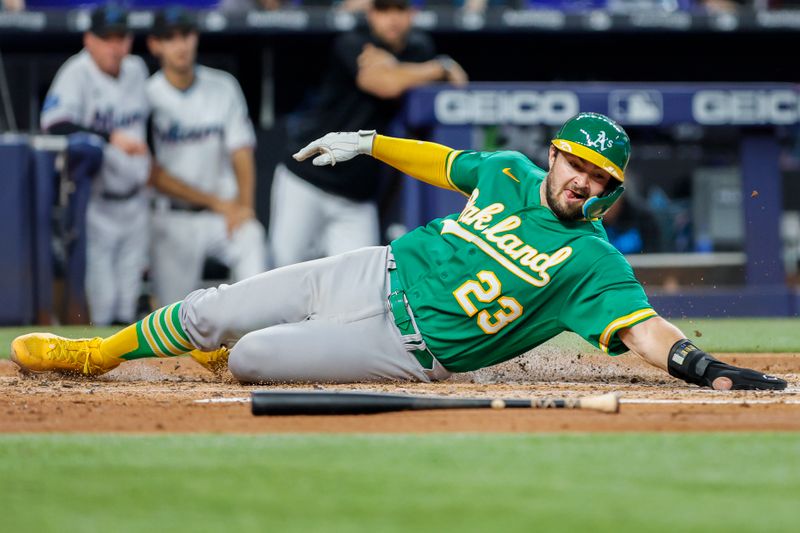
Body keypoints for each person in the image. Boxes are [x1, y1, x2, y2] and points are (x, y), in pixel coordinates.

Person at [9, 113, 787, 391]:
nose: (581, 181)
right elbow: (444, 162)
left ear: (608, 191)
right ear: (553, 155)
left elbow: (646, 331)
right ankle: (98, 354)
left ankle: (237, 352)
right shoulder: (510, 172)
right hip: (376, 266)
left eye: (598, 176)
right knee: (215, 307)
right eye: (575, 162)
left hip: (405, 347)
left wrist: (706, 366)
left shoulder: (594, 262)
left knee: (248, 358)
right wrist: (371, 143)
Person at [269, 0, 468, 268]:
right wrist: (438, 67)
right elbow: (384, 84)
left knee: (363, 282)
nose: (392, 19)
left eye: (399, 10)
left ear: (412, 13)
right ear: (371, 13)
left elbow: (460, 82)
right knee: (280, 271)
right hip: (307, 178)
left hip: (357, 195)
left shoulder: (419, 48)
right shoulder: (353, 42)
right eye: (384, 10)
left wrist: (395, 66)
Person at [145, 6, 267, 308]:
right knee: (173, 320)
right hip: (172, 217)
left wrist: (245, 208)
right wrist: (219, 203)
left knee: (251, 236)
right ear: (155, 44)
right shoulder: (147, 95)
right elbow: (152, 173)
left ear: (195, 38)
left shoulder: (223, 86)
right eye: (170, 37)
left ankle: (258, 333)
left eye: (186, 35)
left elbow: (242, 151)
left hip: (222, 217)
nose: (181, 44)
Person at [40, 3, 151, 326]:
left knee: (129, 300)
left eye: (121, 38)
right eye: (108, 38)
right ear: (90, 40)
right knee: (104, 302)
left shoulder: (137, 70)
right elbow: (53, 124)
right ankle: (102, 373)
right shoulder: (77, 72)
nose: (115, 47)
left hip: (137, 201)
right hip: (97, 203)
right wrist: (109, 135)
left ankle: (140, 376)